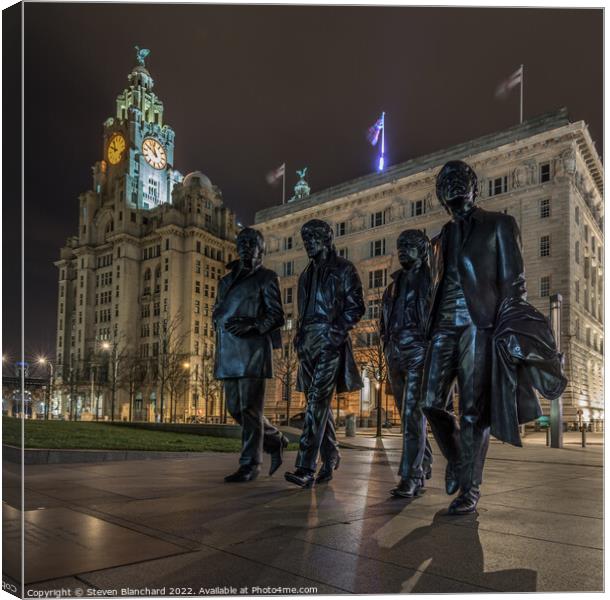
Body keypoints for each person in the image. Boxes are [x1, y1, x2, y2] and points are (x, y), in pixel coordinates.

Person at [422, 160, 526, 514]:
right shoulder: (438, 241)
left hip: (478, 324)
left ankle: (470, 488)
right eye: (445, 181)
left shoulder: (500, 225)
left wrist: (512, 329)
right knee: (430, 401)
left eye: (459, 178)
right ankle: (458, 461)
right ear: (439, 195)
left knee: (472, 410)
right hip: (442, 328)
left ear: (473, 186)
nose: (451, 184)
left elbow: (514, 283)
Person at [285, 219, 365, 488]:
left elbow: (357, 306)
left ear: (327, 238)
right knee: (314, 403)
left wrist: (337, 331)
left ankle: (305, 467)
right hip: (307, 341)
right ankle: (330, 455)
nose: (308, 243)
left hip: (330, 340)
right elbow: (302, 311)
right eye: (305, 238)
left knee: (318, 401)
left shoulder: (343, 269)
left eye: (313, 238)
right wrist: (298, 337)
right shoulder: (305, 274)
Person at [213, 227, 288, 482]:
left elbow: (277, 315)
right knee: (235, 408)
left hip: (254, 349)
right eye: (242, 242)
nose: (245, 246)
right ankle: (275, 439)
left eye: (251, 243)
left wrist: (253, 325)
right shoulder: (225, 281)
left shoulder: (267, 277)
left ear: (261, 249)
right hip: (229, 351)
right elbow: (218, 310)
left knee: (250, 408)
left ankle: (250, 464)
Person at [380, 229, 434, 498]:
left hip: (420, 354)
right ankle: (423, 462)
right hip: (395, 355)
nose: (403, 250)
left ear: (423, 250)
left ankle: (410, 477)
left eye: (410, 245)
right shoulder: (393, 284)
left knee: (413, 415)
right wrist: (387, 346)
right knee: (408, 417)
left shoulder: (433, 281)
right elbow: (384, 322)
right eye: (400, 245)